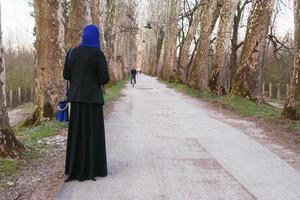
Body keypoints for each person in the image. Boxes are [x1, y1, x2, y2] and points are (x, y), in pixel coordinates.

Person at [63, 24, 110, 182]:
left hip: (76, 99)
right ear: (96, 36)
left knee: (77, 133)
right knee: (92, 133)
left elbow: (66, 75)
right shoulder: (98, 54)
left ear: (84, 35)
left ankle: (74, 168)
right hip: (93, 100)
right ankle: (94, 167)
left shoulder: (72, 53)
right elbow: (104, 79)